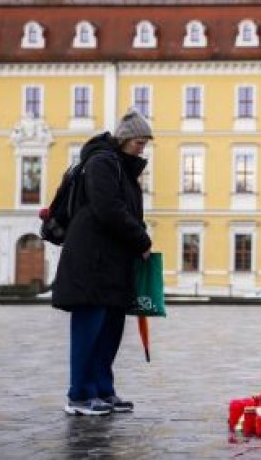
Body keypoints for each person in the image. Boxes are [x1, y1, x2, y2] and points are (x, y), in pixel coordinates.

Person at [52, 108, 153, 416]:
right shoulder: (101, 162)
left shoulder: (121, 167)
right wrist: (141, 239)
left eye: (145, 143)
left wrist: (136, 237)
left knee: (109, 332)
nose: (142, 148)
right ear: (123, 139)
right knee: (89, 332)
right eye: (139, 142)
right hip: (90, 264)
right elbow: (108, 209)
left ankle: (102, 391)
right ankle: (79, 396)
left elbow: (124, 212)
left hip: (112, 264)